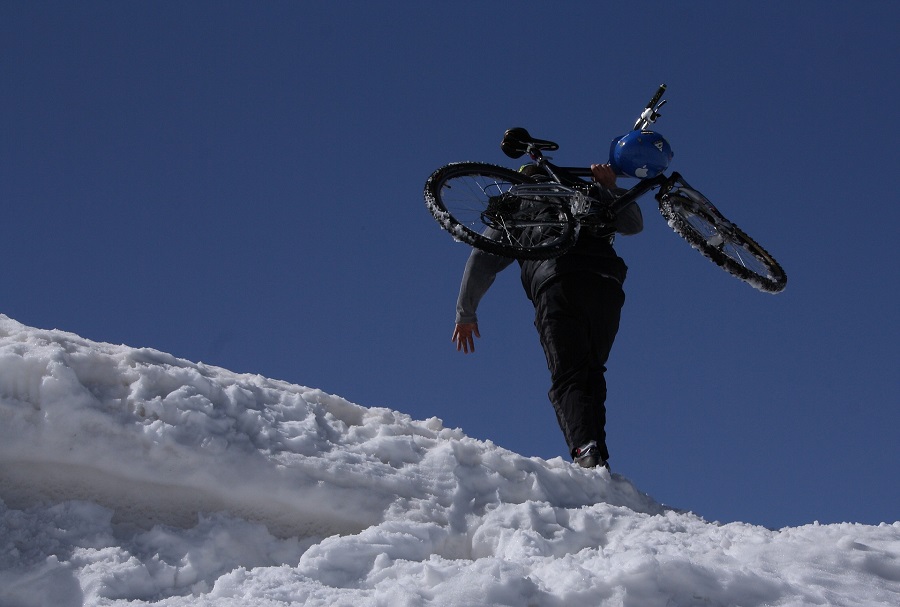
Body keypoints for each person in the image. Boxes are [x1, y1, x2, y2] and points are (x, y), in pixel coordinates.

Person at [451, 163, 642, 470]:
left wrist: (466, 312)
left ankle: (587, 451)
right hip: (606, 283)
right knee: (592, 370)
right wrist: (608, 186)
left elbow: (482, 258)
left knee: (569, 373)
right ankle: (595, 454)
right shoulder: (585, 192)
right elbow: (633, 224)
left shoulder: (518, 202)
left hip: (557, 280)